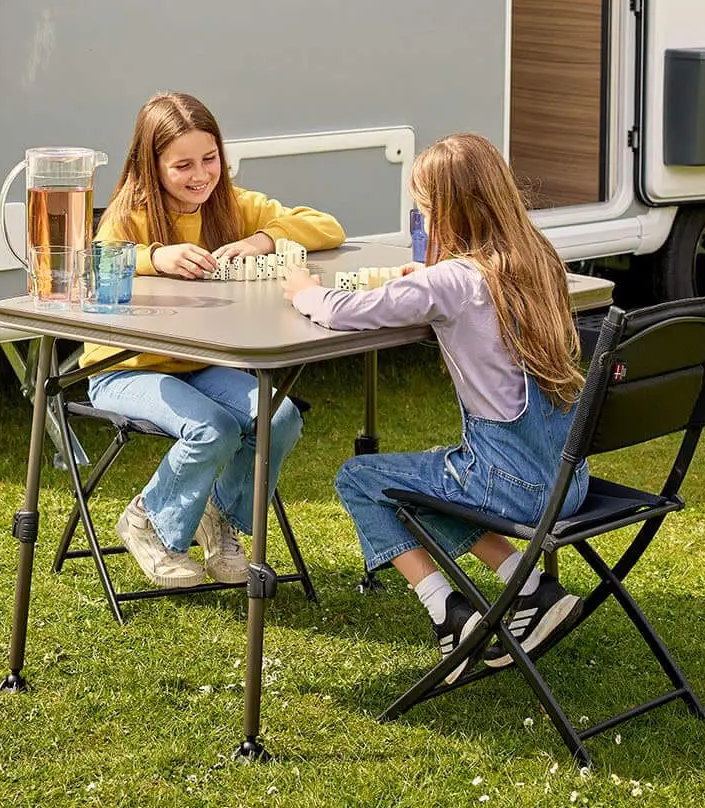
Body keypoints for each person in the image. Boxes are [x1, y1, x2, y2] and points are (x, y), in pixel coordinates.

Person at [284, 132, 587, 681]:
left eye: (423, 206)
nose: (420, 216)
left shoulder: (453, 282)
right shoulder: (538, 259)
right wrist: (423, 282)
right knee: (429, 485)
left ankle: (450, 614)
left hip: (507, 483)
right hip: (567, 479)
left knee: (363, 479)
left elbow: (348, 310)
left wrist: (304, 289)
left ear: (446, 211)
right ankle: (534, 587)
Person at [86, 92, 344, 588]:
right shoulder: (129, 211)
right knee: (213, 430)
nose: (201, 175)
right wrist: (155, 257)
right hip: (125, 366)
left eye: (210, 159)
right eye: (182, 165)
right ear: (151, 165)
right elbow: (100, 262)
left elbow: (327, 226)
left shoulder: (231, 204)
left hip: (197, 364)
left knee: (280, 415)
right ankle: (148, 521)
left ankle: (216, 516)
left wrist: (261, 239)